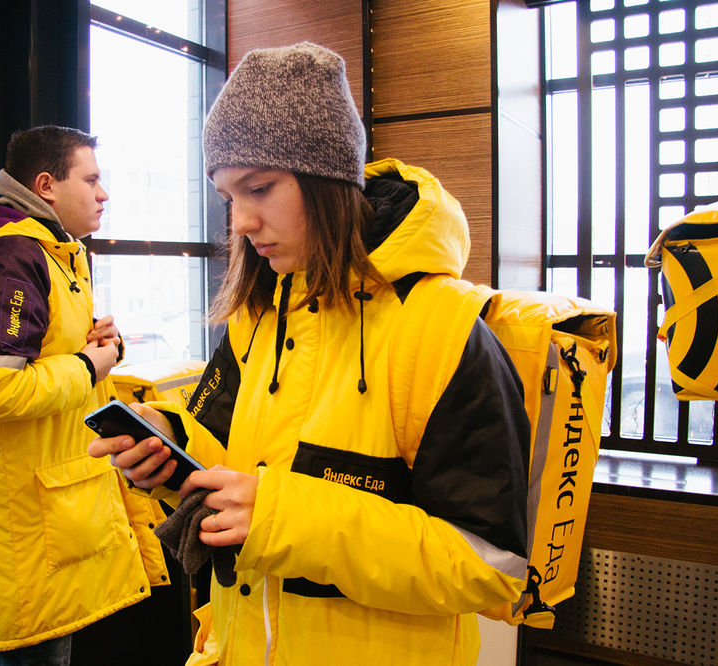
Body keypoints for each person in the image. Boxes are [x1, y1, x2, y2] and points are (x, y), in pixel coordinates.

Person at [88, 43, 530, 664]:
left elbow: (492, 566)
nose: (241, 222)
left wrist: (283, 518)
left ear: (328, 180)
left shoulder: (446, 329)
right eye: (229, 197)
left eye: (259, 188)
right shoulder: (257, 316)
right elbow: (227, 458)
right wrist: (168, 444)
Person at [0, 126, 171, 663]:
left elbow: (43, 351)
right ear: (46, 185)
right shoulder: (9, 255)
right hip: (23, 520)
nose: (103, 194)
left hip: (50, 508)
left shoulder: (49, 250)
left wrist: (103, 345)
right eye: (91, 180)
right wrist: (89, 363)